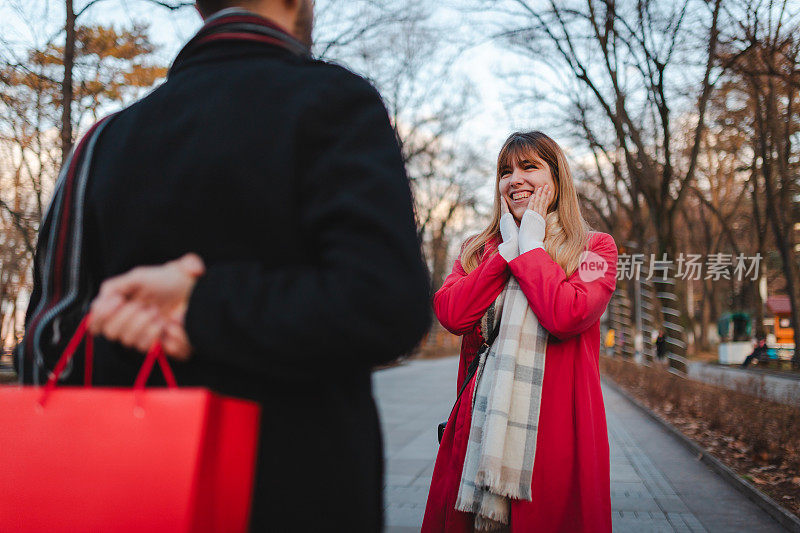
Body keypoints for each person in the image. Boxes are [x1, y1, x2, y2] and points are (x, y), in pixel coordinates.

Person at [17, 1, 431, 531]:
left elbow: (49, 347)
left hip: (135, 500)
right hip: (308, 499)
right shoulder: (336, 104)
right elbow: (386, 304)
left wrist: (137, 328)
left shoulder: (103, 142)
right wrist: (196, 308)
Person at [422, 131, 617, 532]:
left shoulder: (595, 249)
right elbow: (452, 313)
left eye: (530, 167)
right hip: (477, 429)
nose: (515, 179)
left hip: (557, 436)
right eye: (506, 171)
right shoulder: (478, 250)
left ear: (557, 179)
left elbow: (567, 314)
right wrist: (504, 255)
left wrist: (531, 247)